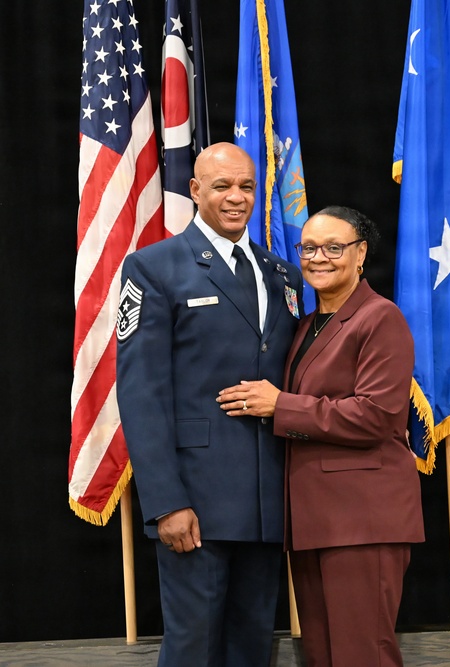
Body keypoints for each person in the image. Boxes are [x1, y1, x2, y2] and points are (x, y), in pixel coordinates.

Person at [115, 142, 304, 667]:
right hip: (195, 502)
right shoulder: (154, 268)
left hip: (268, 500)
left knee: (250, 651)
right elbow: (141, 394)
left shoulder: (281, 273)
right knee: (193, 650)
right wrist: (165, 502)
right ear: (195, 191)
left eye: (246, 186)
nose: (237, 197)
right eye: (222, 186)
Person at [217, 205, 425, 667]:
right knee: (325, 658)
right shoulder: (308, 325)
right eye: (308, 248)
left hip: (362, 519)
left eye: (334, 247)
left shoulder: (379, 318)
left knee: (361, 656)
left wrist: (281, 405)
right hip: (314, 521)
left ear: (361, 253)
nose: (319, 258)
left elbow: (377, 415)